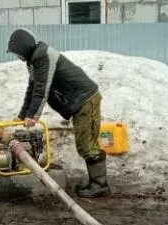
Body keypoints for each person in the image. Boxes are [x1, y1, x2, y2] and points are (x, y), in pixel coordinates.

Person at [7, 28, 110, 198]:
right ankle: (97, 183)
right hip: (80, 101)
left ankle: (100, 185)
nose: (17, 57)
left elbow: (42, 88)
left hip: (86, 99)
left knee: (86, 145)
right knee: (86, 144)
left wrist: (33, 117)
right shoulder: (35, 60)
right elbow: (32, 88)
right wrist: (22, 115)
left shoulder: (43, 56)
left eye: (17, 53)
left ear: (24, 48)